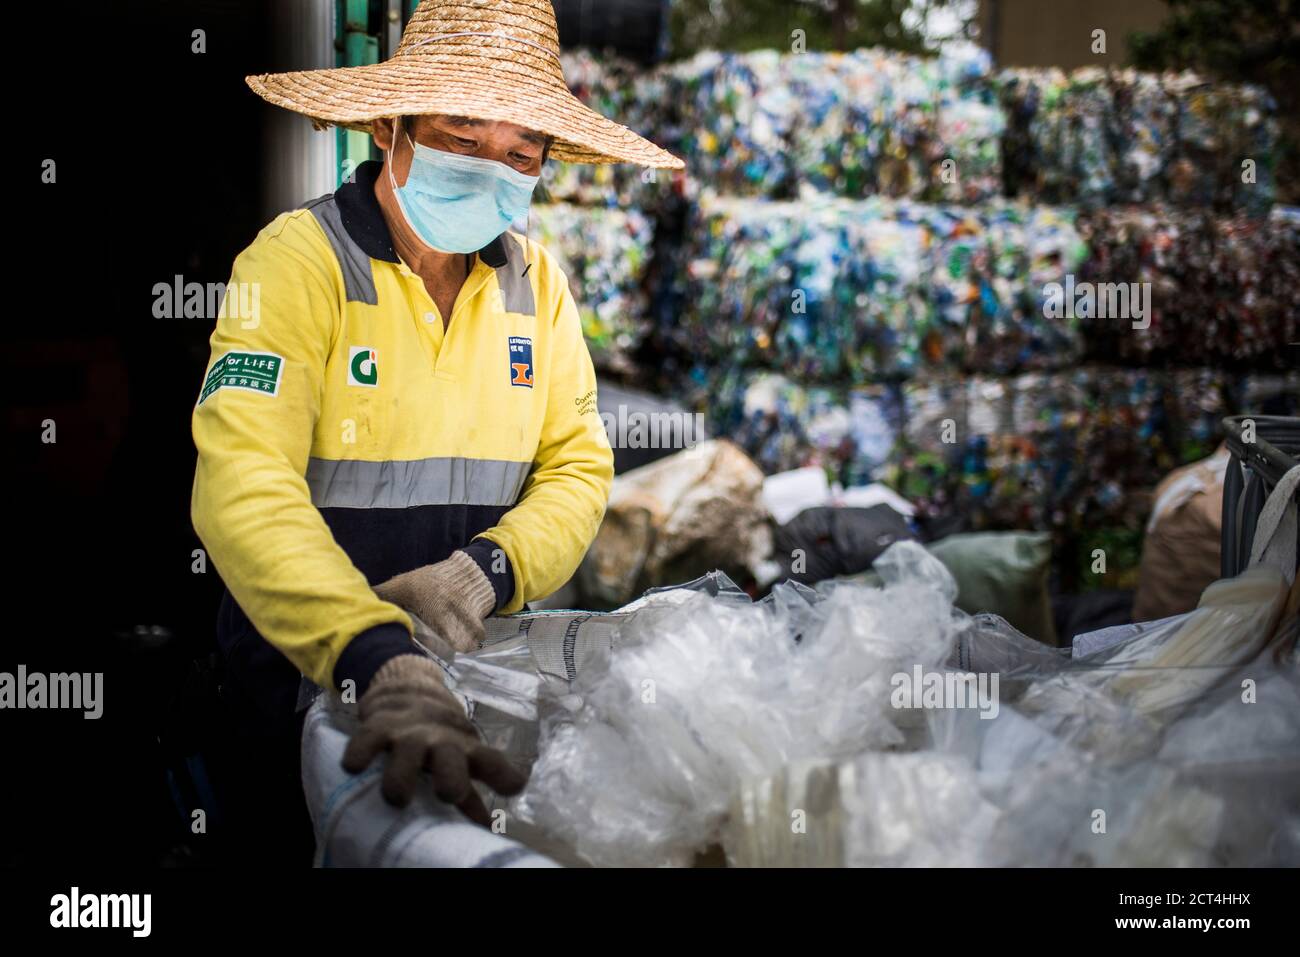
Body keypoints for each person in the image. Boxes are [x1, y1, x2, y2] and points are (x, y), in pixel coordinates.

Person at [190, 0, 683, 849]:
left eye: (521, 150)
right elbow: (242, 485)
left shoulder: (540, 287)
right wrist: (373, 651)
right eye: (461, 135)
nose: (493, 166)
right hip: (293, 701)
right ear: (392, 125)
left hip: (469, 704)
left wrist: (484, 572)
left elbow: (576, 467)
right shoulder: (299, 263)